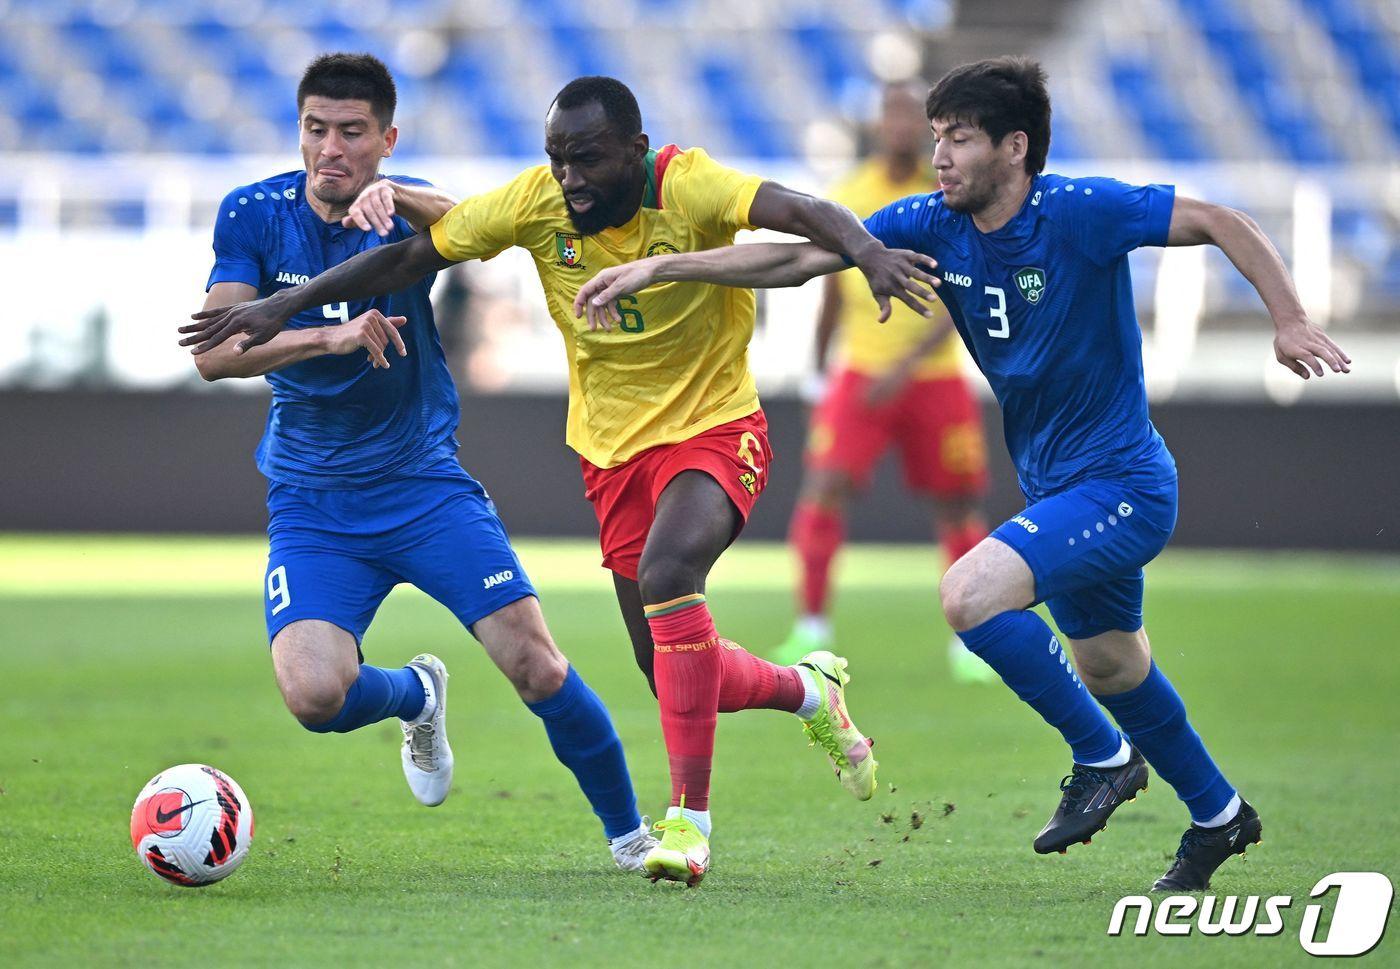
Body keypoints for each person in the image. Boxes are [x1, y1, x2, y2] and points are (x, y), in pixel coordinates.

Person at [570, 57, 1351, 892]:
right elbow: (801, 261)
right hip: (1059, 489)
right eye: (937, 136)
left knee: (969, 595)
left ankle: (1105, 757)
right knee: (1114, 666)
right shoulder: (935, 222)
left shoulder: (1082, 211)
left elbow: (1220, 218)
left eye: (961, 138)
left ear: (1015, 148)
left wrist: (1290, 319)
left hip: (1123, 484)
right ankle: (1220, 815)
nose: (940, 155)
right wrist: (663, 266)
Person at [179, 74, 937, 887]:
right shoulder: (287, 212)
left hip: (625, 445)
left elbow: (793, 219)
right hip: (519, 468)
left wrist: (866, 255)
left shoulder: (681, 184)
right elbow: (342, 290)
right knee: (662, 669)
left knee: (618, 611)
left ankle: (667, 827)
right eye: (317, 130)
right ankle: (802, 691)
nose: (568, 176)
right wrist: (294, 322)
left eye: (354, 133)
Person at [187, 54, 654, 872]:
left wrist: (398, 195)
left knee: (536, 664)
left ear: (386, 139)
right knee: (313, 695)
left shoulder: (403, 209)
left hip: (421, 485)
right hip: (313, 498)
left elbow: (488, 228)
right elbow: (217, 353)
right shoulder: (253, 213)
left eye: (352, 133)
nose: (331, 148)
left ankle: (632, 834)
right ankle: (416, 694)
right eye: (316, 129)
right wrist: (328, 336)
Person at [774, 82, 994, 685]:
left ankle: (971, 639)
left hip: (931, 379)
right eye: (891, 114)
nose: (899, 126)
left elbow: (962, 296)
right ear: (876, 125)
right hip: (859, 376)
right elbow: (829, 292)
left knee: (958, 505)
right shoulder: (848, 195)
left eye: (911, 117)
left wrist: (901, 369)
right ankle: (811, 629)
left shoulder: (947, 195)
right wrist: (819, 374)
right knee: (823, 491)